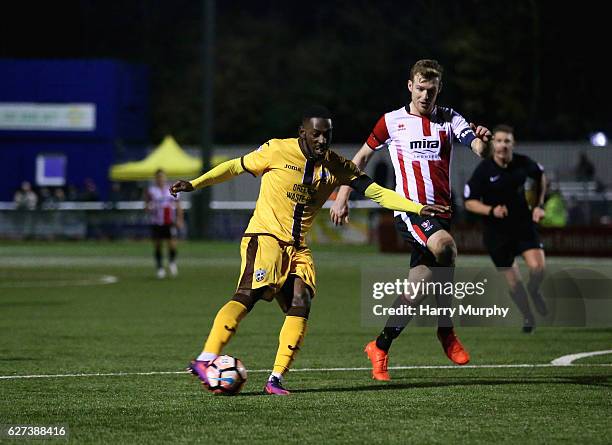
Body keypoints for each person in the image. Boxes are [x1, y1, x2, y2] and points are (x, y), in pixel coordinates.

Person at [170, 106, 448, 395]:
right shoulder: (276, 150)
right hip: (265, 237)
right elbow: (234, 166)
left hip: (298, 248)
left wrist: (417, 207)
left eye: (327, 135)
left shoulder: (336, 165)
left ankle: (275, 378)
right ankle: (204, 359)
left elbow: (376, 191)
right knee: (248, 294)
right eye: (316, 134)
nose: (322, 140)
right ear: (302, 133)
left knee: (301, 302)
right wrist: (195, 183)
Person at [329, 59, 491, 381]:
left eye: (431, 90)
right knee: (446, 248)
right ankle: (446, 331)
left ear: (439, 89)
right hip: (410, 211)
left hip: (442, 213)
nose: (425, 96)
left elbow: (476, 147)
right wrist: (343, 196)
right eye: (420, 89)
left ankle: (380, 346)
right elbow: (359, 159)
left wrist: (483, 141)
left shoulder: (449, 118)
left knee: (416, 290)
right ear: (410, 86)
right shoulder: (391, 121)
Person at [464, 124, 548, 333]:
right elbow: (469, 202)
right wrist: (492, 210)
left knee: (538, 268)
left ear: (513, 143)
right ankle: (528, 316)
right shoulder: (484, 170)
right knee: (514, 282)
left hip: (523, 226)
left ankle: (534, 289)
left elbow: (541, 177)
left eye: (507, 141)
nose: (502, 145)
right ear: (493, 144)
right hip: (496, 234)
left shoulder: (523, 163)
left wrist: (538, 205)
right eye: (499, 141)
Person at [145, 169, 184, 278]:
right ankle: (160, 267)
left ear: (165, 178)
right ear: (155, 179)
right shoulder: (152, 191)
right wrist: (150, 207)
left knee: (172, 244)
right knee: (158, 245)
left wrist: (180, 219)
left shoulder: (171, 190)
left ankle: (172, 262)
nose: (160, 179)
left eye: (162, 177)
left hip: (169, 222)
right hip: (156, 222)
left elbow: (178, 206)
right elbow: (147, 205)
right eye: (158, 177)